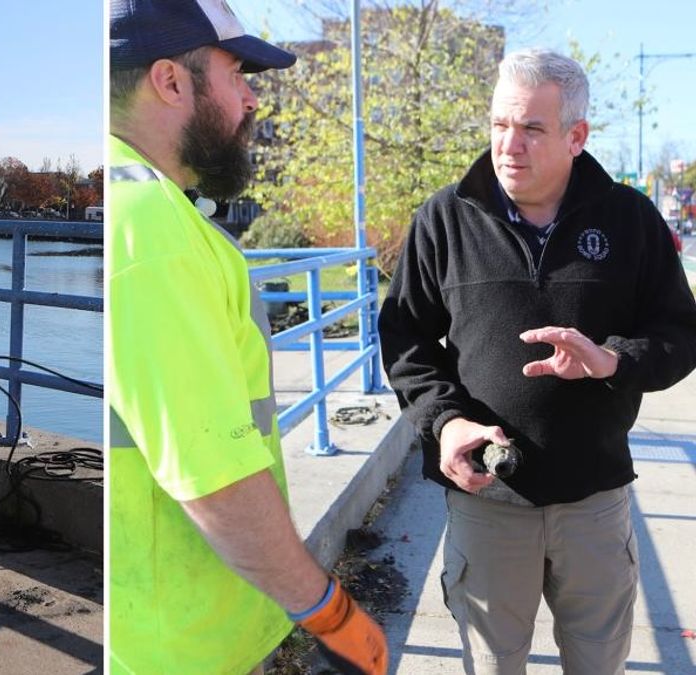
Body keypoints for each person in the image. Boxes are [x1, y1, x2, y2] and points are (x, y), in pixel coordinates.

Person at [379, 48, 696, 674]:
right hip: (487, 498)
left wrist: (611, 360)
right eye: (500, 124)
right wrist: (446, 423)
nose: (509, 145)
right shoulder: (444, 219)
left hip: (595, 500)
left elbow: (680, 334)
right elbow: (405, 339)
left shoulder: (629, 219)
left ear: (576, 136)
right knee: (492, 665)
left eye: (531, 128)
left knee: (599, 663)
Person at [108, 2, 388, 673]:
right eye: (236, 75)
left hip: (170, 628)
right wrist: (332, 615)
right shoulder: (150, 225)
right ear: (172, 82)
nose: (251, 99)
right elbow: (217, 479)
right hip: (179, 647)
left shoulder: (145, 205)